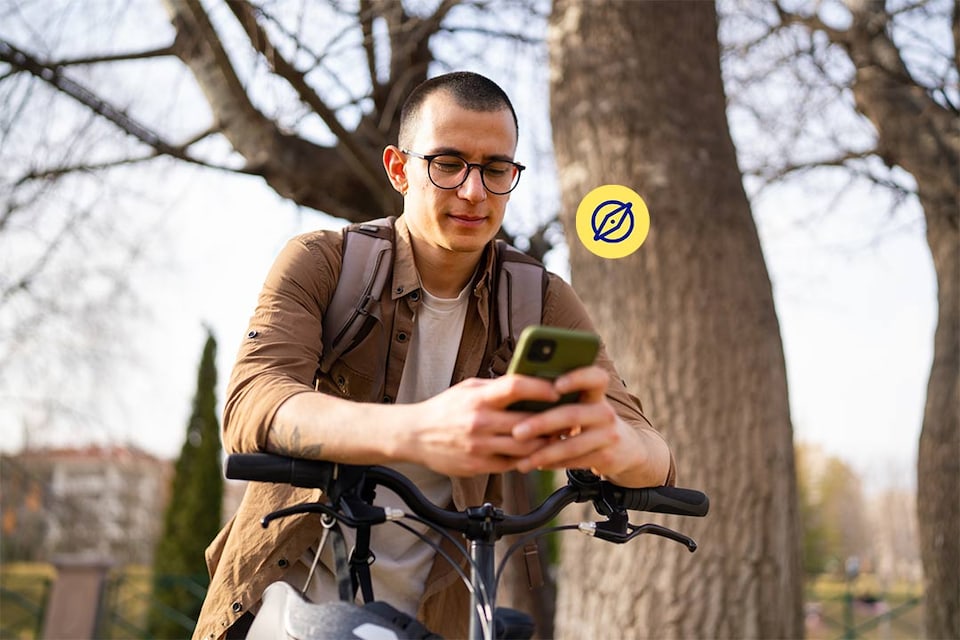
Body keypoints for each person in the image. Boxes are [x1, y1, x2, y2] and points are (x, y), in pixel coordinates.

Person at [193, 71, 675, 640]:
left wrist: (612, 444)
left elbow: (654, 454)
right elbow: (254, 403)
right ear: (399, 169)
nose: (474, 192)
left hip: (434, 616)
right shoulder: (322, 262)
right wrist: (419, 430)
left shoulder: (540, 298)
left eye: (496, 169)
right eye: (448, 164)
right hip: (282, 607)